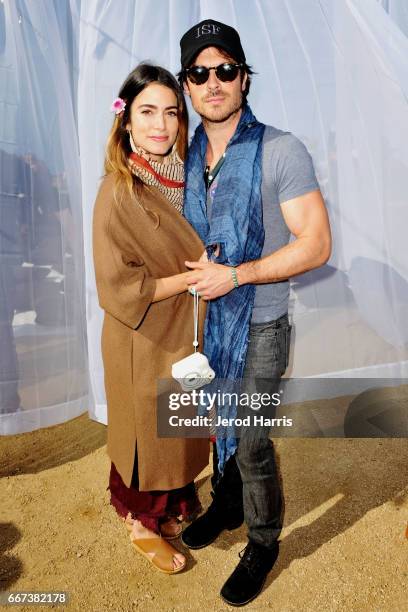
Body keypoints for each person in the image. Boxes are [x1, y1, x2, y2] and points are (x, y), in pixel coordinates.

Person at [177, 20, 332, 605]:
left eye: (225, 70)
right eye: (200, 72)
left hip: (263, 322)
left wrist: (236, 274)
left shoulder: (280, 149)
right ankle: (228, 503)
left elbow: (316, 244)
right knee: (219, 427)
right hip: (206, 324)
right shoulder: (186, 157)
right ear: (188, 87)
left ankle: (263, 542)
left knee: (252, 439)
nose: (213, 82)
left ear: (244, 78)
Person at [92, 63, 209, 574]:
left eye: (171, 112)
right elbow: (120, 287)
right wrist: (191, 279)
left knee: (180, 422)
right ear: (126, 121)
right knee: (149, 430)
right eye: (147, 112)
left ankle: (173, 506)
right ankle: (141, 520)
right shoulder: (118, 190)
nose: (161, 124)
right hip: (143, 333)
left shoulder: (190, 177)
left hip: (188, 325)